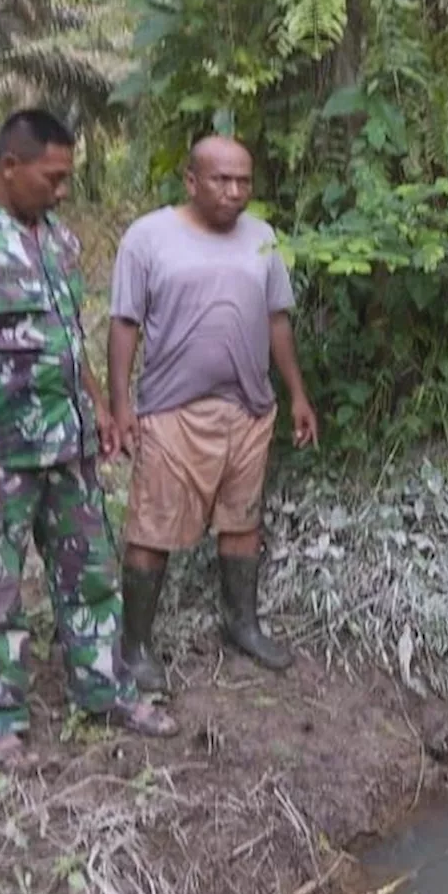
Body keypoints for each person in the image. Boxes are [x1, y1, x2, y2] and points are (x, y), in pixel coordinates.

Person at [0, 110, 178, 770]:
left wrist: (102, 407)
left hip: (68, 448)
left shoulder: (58, 239)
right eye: (53, 177)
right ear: (8, 166)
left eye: (68, 178)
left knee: (91, 577)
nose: (63, 190)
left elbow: (67, 337)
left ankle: (104, 692)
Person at [108, 134, 318, 693]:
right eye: (222, 179)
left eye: (244, 180)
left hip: (248, 408)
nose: (234, 191)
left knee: (242, 520)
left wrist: (296, 393)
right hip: (172, 411)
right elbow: (124, 322)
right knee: (152, 527)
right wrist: (120, 402)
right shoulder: (148, 238)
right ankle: (135, 646)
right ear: (191, 180)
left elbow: (278, 320)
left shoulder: (262, 238)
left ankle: (242, 625)